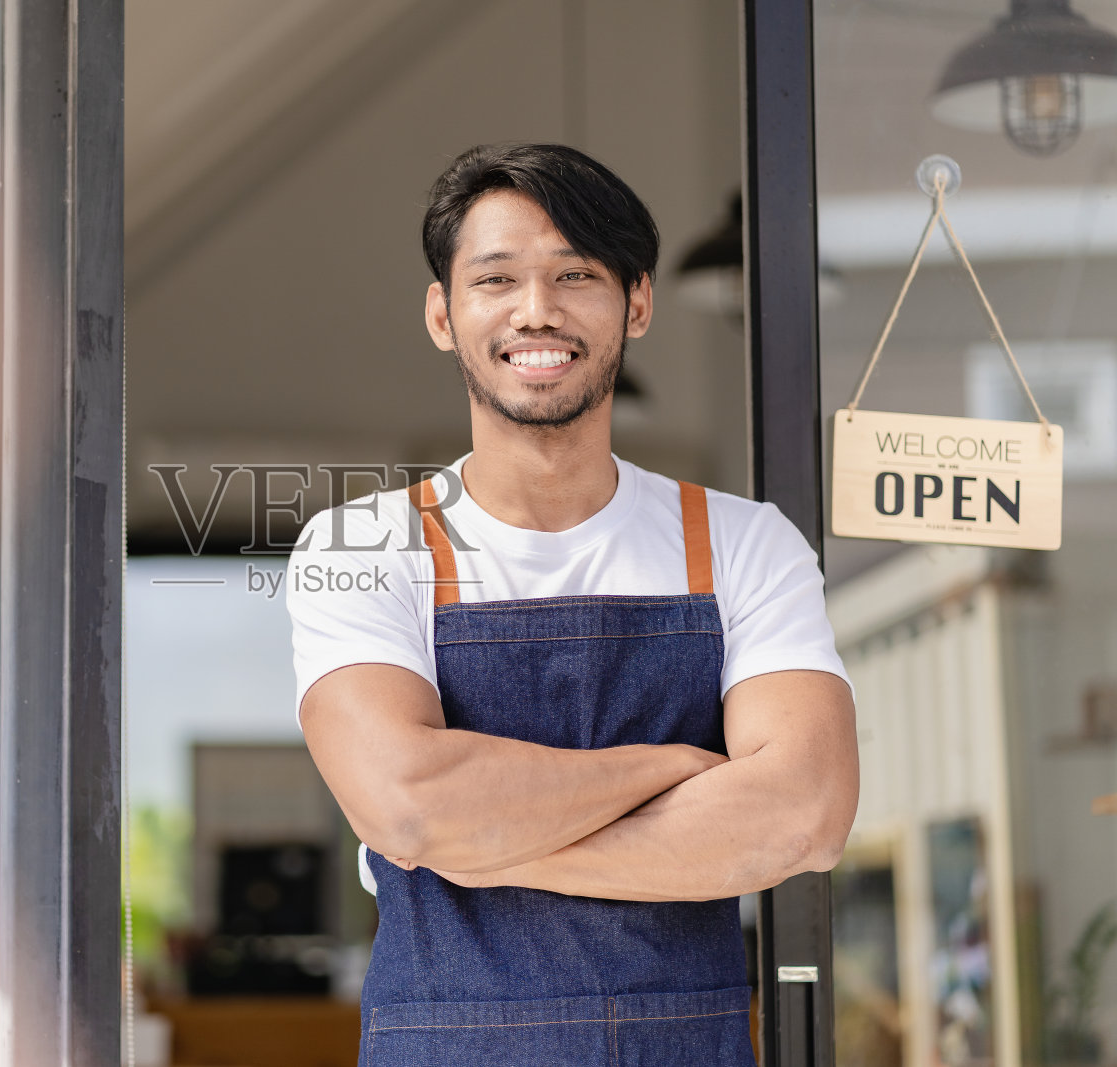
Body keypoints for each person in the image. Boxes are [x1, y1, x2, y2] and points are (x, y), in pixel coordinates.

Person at [287, 143, 858, 1066]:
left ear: (636, 301)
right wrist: (673, 767)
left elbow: (807, 814)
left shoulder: (745, 543)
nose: (536, 310)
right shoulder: (363, 547)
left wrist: (475, 845)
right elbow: (407, 805)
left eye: (575, 274)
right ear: (443, 313)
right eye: (496, 279)